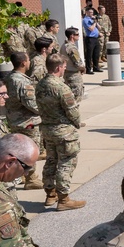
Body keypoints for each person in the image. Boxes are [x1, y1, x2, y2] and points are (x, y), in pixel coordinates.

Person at [37, 53, 86, 210]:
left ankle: (50, 194)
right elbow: (72, 110)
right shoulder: (61, 87)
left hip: (47, 130)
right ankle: (64, 199)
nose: (65, 69)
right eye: (64, 67)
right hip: (64, 132)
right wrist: (77, 123)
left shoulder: (40, 84)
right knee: (66, 163)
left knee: (51, 160)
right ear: (59, 67)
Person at [4, 52, 45, 190]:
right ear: (23, 63)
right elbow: (31, 104)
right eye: (28, 60)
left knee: (17, 150)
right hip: (27, 122)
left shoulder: (10, 77)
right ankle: (31, 178)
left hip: (14, 120)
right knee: (29, 150)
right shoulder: (22, 81)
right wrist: (44, 112)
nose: (29, 63)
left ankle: (20, 174)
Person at [60, 27, 86, 102]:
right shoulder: (71, 47)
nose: (79, 36)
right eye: (77, 34)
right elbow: (78, 63)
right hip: (73, 75)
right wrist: (83, 69)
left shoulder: (64, 45)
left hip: (67, 73)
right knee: (76, 97)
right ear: (72, 36)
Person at [81, 8, 101, 74]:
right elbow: (91, 29)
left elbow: (99, 27)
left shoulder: (92, 19)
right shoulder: (85, 20)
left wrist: (95, 21)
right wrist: (94, 23)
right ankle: (88, 69)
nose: (91, 14)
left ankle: (96, 67)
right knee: (89, 54)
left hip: (96, 38)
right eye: (90, 12)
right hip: (90, 38)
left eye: (92, 12)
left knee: (96, 53)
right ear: (86, 12)